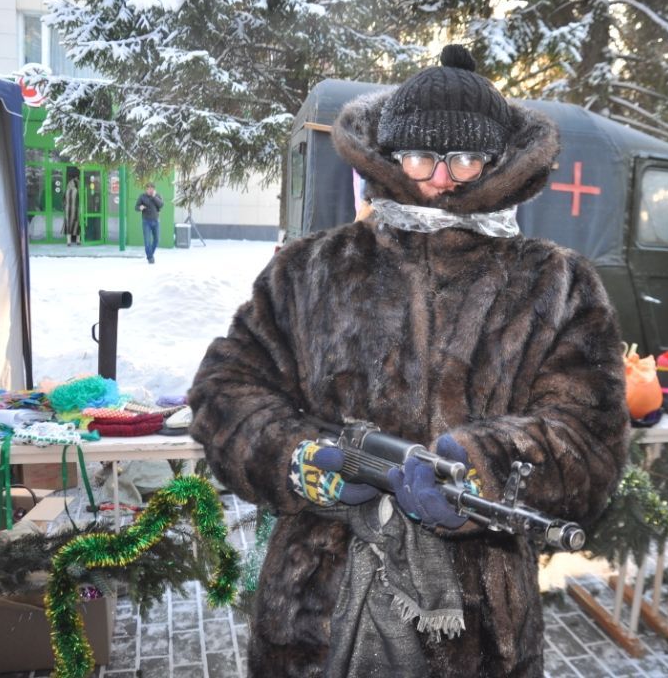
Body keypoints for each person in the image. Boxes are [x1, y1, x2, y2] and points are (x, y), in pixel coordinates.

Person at [189, 44, 628, 678]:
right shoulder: (308, 270)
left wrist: (482, 465)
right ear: (388, 157)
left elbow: (590, 443)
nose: (441, 179)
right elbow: (225, 392)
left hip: (481, 626)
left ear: (500, 161)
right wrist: (301, 459)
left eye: (464, 158)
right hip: (315, 610)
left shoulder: (558, 284)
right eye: (421, 156)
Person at [135, 182, 163, 264]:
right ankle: (150, 258)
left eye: (151, 188)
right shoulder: (142, 197)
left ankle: (149, 255)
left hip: (156, 221)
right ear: (146, 189)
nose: (150, 190)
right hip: (146, 222)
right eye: (148, 188)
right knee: (147, 241)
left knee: (157, 240)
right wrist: (140, 207)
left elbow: (161, 205)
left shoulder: (157, 195)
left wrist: (154, 197)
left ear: (154, 189)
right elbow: (136, 207)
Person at [62, 168, 80, 246]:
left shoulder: (66, 191)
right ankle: (78, 241)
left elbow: (63, 201)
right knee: (77, 225)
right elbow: (80, 201)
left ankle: (68, 242)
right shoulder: (77, 192)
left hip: (68, 211)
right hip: (76, 210)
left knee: (68, 225)